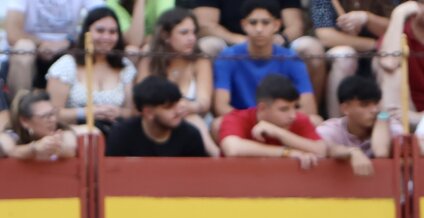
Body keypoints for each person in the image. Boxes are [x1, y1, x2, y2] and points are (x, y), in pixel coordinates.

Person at [218, 71, 373, 173]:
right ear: (263, 108)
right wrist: (288, 153)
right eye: (284, 109)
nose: (292, 115)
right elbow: (233, 148)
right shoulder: (237, 117)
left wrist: (279, 133)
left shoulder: (298, 119)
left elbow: (320, 150)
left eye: (295, 107)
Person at [191, 0, 324, 104]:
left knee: (312, 47)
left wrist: (281, 38)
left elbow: (297, 26)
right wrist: (244, 40)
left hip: (276, 44)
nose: (259, 27)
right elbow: (205, 25)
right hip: (229, 44)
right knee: (207, 46)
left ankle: (305, 110)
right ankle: (209, 113)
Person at [137, 8, 220, 156]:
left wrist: (186, 107)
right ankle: (216, 158)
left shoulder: (200, 61)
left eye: (193, 32)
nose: (191, 38)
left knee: (192, 119)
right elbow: (141, 99)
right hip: (158, 121)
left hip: (195, 119)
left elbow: (204, 102)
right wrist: (169, 110)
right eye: (184, 33)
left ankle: (216, 158)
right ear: (166, 36)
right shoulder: (149, 60)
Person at [46, 7, 136, 133]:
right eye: (100, 31)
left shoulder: (125, 66)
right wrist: (86, 112)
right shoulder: (66, 65)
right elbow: (52, 114)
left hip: (116, 132)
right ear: (86, 33)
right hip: (75, 132)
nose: (106, 37)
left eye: (112, 32)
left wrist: (118, 112)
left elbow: (133, 112)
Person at [311, 0, 395, 118]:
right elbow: (325, 35)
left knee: (388, 59)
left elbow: (397, 27)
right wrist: (374, 44)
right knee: (344, 55)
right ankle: (336, 121)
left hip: (377, 58)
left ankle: (385, 119)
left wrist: (367, 18)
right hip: (339, 61)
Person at [4, 0, 105, 94]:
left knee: (98, 47)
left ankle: (93, 99)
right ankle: (20, 101)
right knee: (23, 48)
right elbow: (12, 34)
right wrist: (42, 43)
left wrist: (70, 42)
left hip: (69, 47)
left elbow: (103, 19)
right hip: (33, 49)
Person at [105, 74, 209, 155]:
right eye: (168, 107)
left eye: (177, 104)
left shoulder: (191, 136)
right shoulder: (122, 135)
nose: (178, 111)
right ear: (148, 112)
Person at [317, 74, 398, 158]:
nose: (374, 110)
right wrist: (352, 153)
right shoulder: (331, 130)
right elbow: (318, 146)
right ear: (345, 108)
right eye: (365, 105)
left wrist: (383, 119)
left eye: (376, 103)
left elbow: (381, 153)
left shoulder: (390, 126)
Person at [0, 88, 80, 158]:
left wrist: (54, 145)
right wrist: (34, 148)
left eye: (52, 113)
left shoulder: (62, 130)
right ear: (25, 121)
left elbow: (70, 147)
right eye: (45, 116)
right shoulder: (13, 134)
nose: (52, 119)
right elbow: (10, 150)